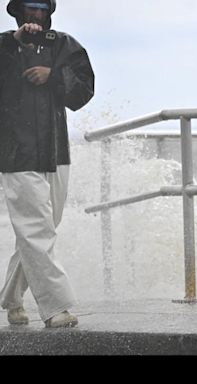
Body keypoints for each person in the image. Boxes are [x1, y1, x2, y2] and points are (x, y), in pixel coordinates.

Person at [0, 0, 94, 328]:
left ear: (49, 11)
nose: (35, 14)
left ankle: (12, 297)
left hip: (56, 153)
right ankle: (56, 307)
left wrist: (54, 76)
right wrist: (14, 42)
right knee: (36, 230)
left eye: (41, 7)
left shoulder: (65, 45)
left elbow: (83, 91)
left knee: (44, 228)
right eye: (29, 7)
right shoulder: (3, 47)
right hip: (16, 154)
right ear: (17, 11)